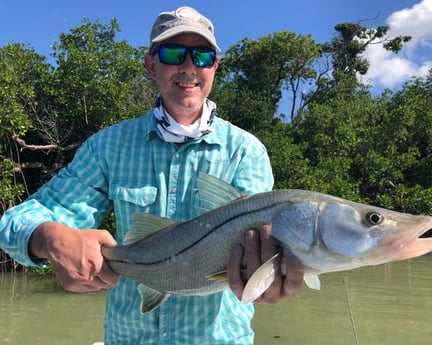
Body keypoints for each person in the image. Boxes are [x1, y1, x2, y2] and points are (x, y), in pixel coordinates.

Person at [0, 6, 303, 344]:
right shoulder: (108, 147)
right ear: (151, 64)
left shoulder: (246, 152)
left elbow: (260, 249)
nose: (189, 67)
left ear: (214, 67)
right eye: (174, 53)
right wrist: (51, 239)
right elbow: (16, 221)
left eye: (202, 56)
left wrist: (269, 275)